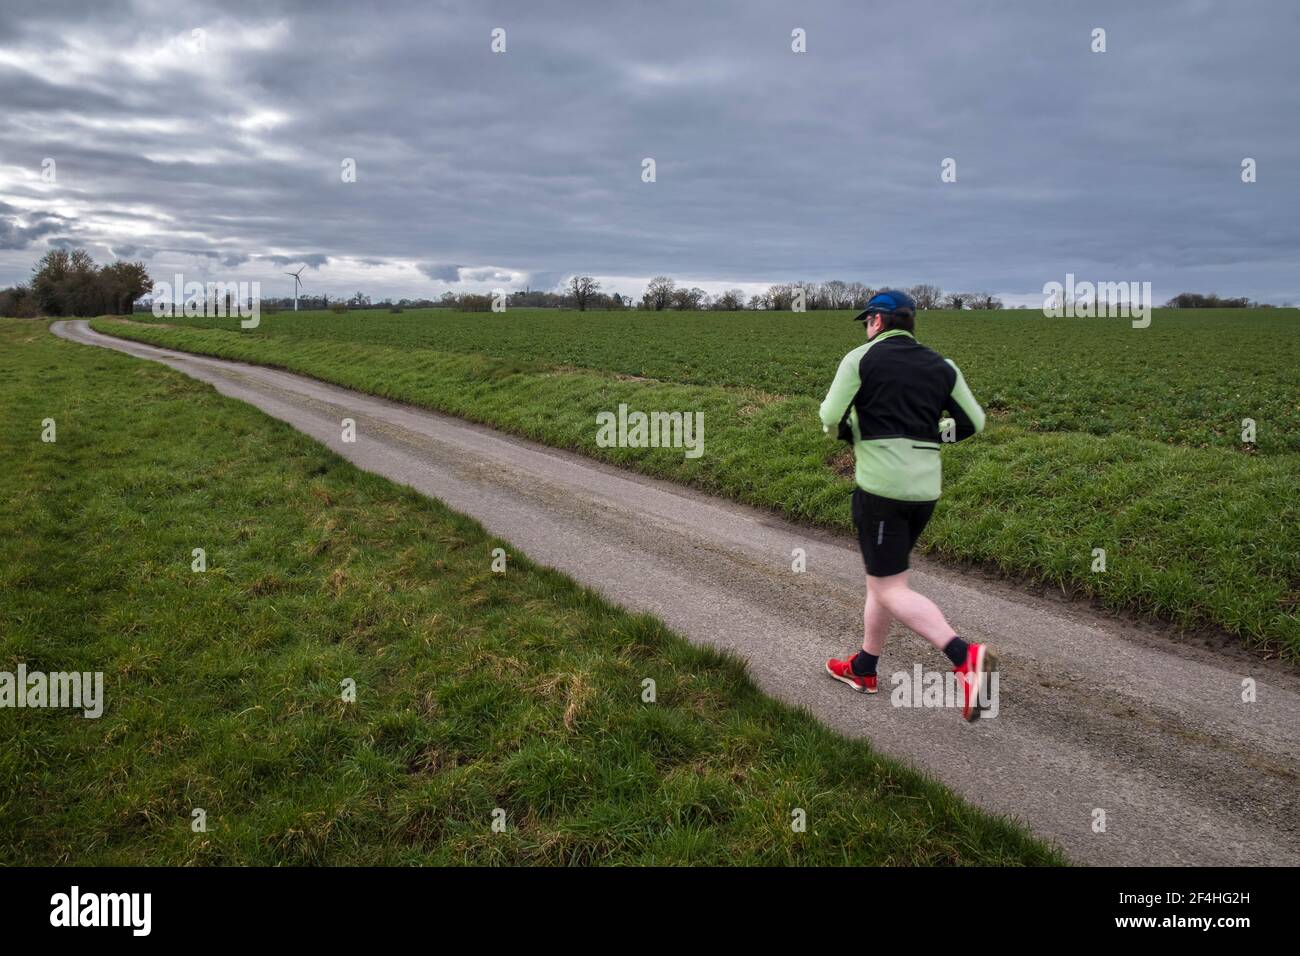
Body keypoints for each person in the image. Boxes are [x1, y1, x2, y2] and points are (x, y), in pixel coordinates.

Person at [818, 290, 996, 720]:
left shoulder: (860, 359)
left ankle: (964, 656)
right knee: (883, 578)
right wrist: (933, 438)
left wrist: (859, 431)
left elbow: (830, 417)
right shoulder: (942, 366)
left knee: (889, 586)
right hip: (924, 491)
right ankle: (864, 667)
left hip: (882, 489)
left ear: (878, 321)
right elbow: (974, 422)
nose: (865, 327)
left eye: (867, 320)